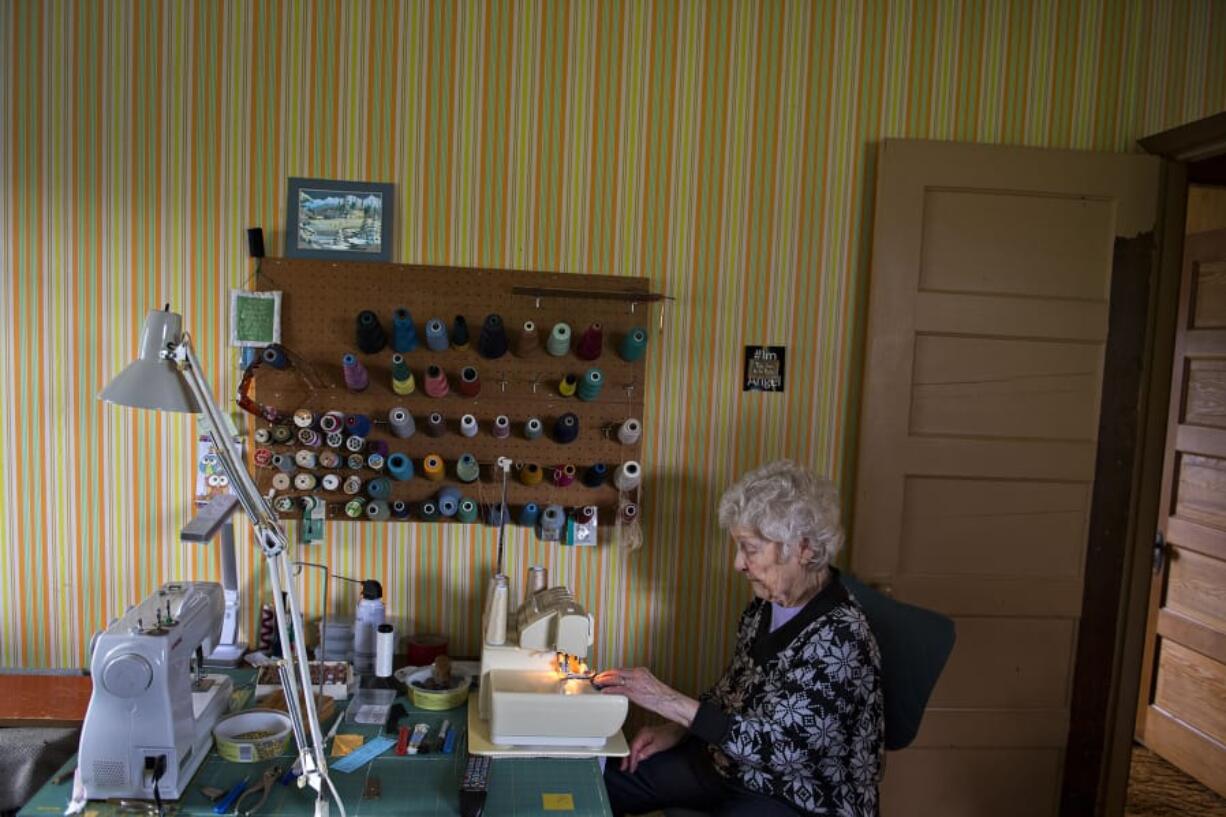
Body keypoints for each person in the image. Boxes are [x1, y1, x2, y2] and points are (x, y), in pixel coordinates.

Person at [596, 460, 883, 817]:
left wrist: (669, 702)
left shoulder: (841, 636)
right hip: (728, 767)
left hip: (799, 797)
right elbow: (732, 693)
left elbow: (783, 750)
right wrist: (678, 730)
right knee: (602, 785)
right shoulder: (764, 608)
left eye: (749, 548)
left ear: (804, 549)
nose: (737, 564)